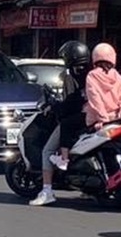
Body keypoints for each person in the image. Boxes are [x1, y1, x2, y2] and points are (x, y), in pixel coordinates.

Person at [30, 40, 91, 206]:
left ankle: (47, 190)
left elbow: (70, 103)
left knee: (47, 151)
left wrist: (55, 107)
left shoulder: (70, 76)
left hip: (78, 119)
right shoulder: (95, 74)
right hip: (98, 118)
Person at [85, 43, 121, 130]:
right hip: (116, 121)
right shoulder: (117, 76)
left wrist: (104, 120)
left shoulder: (92, 76)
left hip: (97, 122)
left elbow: (95, 100)